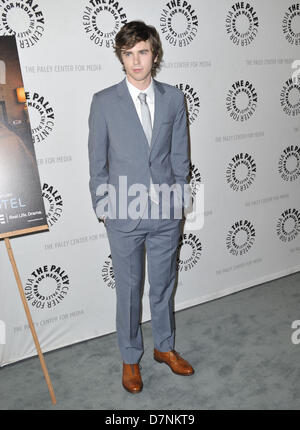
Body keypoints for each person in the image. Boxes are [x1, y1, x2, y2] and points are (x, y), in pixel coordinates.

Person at [88, 21, 194, 394]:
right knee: (129, 290)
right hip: (124, 213)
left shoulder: (173, 98)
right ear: (121, 57)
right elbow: (97, 161)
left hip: (166, 212)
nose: (136, 61)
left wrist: (181, 200)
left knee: (163, 285)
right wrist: (104, 207)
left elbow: (180, 155)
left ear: (155, 54)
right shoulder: (104, 102)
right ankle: (130, 358)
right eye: (128, 53)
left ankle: (164, 348)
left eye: (143, 52)